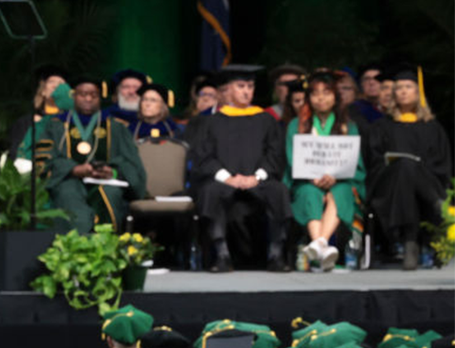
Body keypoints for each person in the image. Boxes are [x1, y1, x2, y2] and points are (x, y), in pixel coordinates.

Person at [187, 65, 292, 272]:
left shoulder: (266, 119)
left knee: (278, 191)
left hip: (258, 180)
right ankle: (222, 255)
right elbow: (203, 157)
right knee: (210, 191)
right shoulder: (211, 122)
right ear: (228, 90)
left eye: (250, 86)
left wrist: (257, 176)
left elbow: (275, 154)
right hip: (224, 181)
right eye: (241, 86)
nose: (246, 91)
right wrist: (227, 178)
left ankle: (276, 255)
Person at [19, 75, 148, 233]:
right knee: (68, 195)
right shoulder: (56, 126)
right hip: (68, 180)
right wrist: (73, 169)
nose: (88, 98)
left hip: (106, 182)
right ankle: (74, 249)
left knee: (110, 194)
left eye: (93, 95)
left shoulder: (116, 127)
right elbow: (44, 158)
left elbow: (131, 163)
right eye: (82, 94)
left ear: (100, 98)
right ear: (74, 96)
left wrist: (112, 172)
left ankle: (108, 248)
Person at [367, 65, 451, 270]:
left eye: (408, 87)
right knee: (404, 167)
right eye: (399, 88)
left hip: (427, 182)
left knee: (409, 169)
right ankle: (439, 206)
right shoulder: (382, 126)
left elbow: (442, 163)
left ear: (418, 92)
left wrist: (416, 168)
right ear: (393, 94)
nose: (403, 91)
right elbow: (374, 160)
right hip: (389, 187)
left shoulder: (432, 127)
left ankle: (410, 241)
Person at [283, 71, 367, 272]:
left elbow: (354, 161)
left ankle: (318, 244)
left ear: (336, 97)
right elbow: (292, 157)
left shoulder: (348, 126)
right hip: (307, 181)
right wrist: (311, 176)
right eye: (315, 93)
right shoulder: (297, 125)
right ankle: (323, 246)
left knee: (340, 192)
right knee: (309, 193)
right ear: (309, 98)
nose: (321, 98)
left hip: (341, 182)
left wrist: (335, 176)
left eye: (326, 93)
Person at [7, 64, 70, 159]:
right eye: (51, 82)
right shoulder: (26, 123)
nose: (56, 86)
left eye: (61, 83)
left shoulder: (72, 121)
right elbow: (15, 153)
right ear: (43, 91)